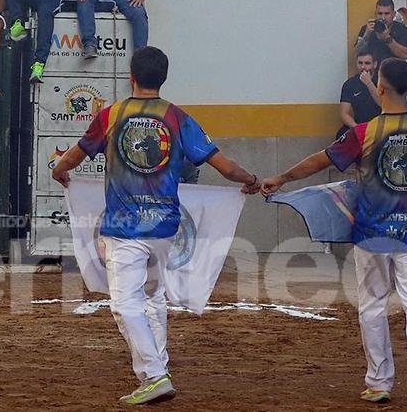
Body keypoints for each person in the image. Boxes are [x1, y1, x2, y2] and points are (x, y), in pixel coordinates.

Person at [51, 46, 260, 406]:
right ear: (163, 78)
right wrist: (251, 179)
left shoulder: (112, 115)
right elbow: (221, 163)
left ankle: (154, 375)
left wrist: (59, 170)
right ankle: (158, 365)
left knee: (124, 303)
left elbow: (78, 152)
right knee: (152, 295)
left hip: (125, 228)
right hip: (164, 227)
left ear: (131, 76)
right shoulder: (177, 117)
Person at [261, 58, 407, 409]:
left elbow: (322, 159)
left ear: (380, 87)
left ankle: (379, 383)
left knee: (373, 304)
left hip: (372, 230)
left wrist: (282, 177)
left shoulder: (364, 132)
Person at [355, 0, 407, 66]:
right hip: (372, 73)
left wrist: (387, 39)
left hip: (395, 72)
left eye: (387, 13)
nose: (383, 17)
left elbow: (404, 55)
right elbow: (357, 53)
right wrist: (366, 36)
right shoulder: (368, 28)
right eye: (380, 13)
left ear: (393, 14)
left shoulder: (401, 29)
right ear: (375, 14)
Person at [338, 51, 381, 138]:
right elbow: (344, 113)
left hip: (380, 125)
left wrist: (369, 83)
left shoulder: (382, 82)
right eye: (360, 63)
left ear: (375, 64)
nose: (363, 67)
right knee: (341, 134)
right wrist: (357, 128)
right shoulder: (350, 84)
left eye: (367, 63)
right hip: (359, 124)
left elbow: (383, 104)